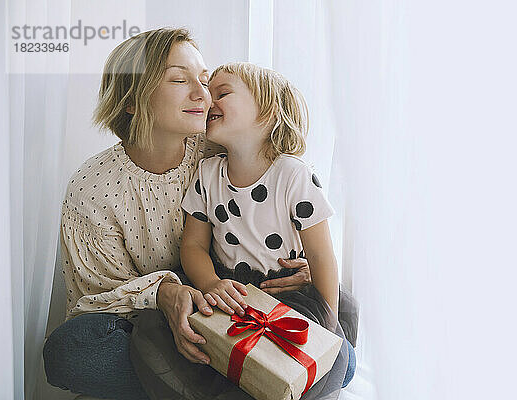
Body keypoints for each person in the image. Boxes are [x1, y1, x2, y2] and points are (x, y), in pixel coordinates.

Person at [42, 28, 335, 400]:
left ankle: (230, 379)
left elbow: (286, 194)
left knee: (343, 357)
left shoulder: (221, 142)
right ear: (131, 100)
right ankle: (249, 381)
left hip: (241, 302)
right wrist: (165, 293)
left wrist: (305, 260)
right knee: (71, 351)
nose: (203, 95)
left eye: (206, 81)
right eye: (180, 80)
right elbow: (95, 299)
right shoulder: (92, 187)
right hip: (155, 321)